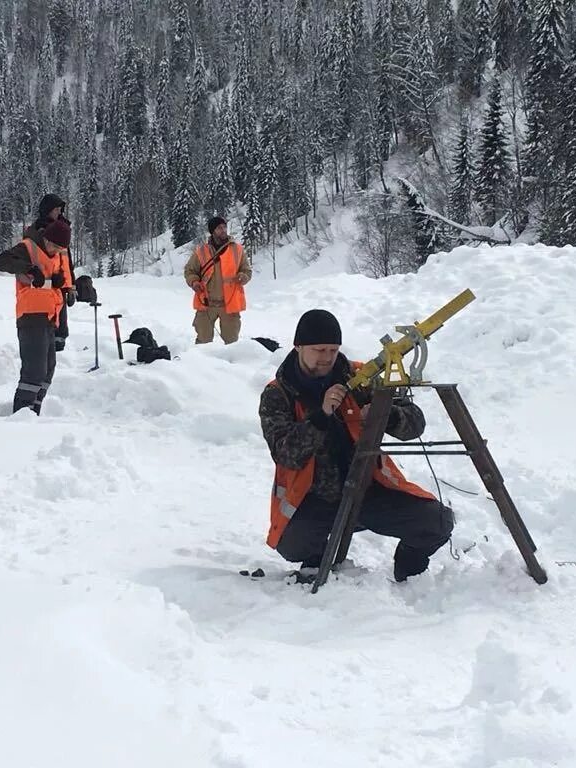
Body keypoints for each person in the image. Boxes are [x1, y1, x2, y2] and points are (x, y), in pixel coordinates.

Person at [258, 309, 455, 582]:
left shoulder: (361, 376)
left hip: (369, 490)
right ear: (299, 346)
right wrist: (321, 416)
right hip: (314, 497)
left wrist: (386, 415)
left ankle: (409, 571)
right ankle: (319, 555)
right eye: (319, 350)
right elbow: (285, 454)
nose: (327, 357)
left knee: (437, 522)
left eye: (333, 349)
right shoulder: (277, 394)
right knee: (292, 546)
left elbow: (415, 423)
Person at [0, 219, 73, 415]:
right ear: (46, 238)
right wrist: (28, 268)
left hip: (48, 317)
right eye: (53, 246)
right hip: (30, 316)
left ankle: (33, 411)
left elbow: (46, 283)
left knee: (48, 370)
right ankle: (22, 414)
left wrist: (59, 283)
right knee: (34, 371)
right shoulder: (28, 247)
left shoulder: (55, 254)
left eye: (59, 248)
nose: (55, 251)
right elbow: (1, 261)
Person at [184, 216, 251, 344]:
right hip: (206, 303)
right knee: (203, 344)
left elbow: (247, 270)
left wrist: (243, 276)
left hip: (230, 304)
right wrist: (194, 282)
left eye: (225, 227)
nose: (223, 230)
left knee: (232, 344)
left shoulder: (237, 249)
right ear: (212, 231)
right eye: (219, 228)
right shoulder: (201, 251)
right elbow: (189, 271)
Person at [24, 194, 76, 351]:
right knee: (45, 325)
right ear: (47, 210)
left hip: (60, 283)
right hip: (43, 284)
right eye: (56, 210)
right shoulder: (38, 230)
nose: (59, 213)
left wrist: (70, 286)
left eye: (60, 210)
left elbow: (67, 262)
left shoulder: (62, 230)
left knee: (59, 335)